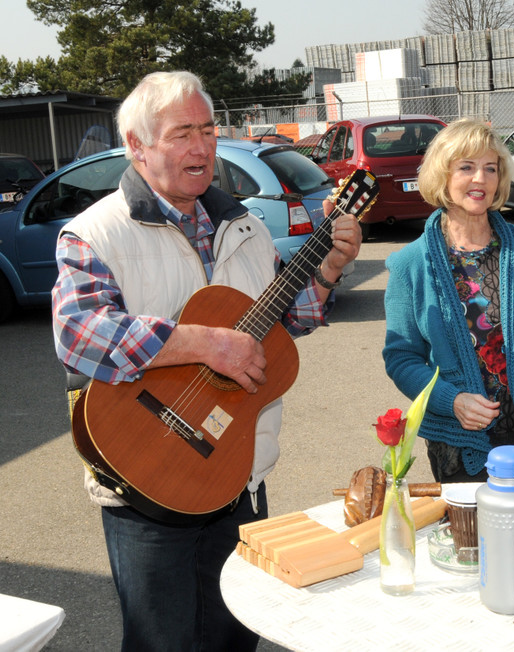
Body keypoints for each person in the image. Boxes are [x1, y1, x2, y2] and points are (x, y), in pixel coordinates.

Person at [51, 71, 361, 651]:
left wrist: (327, 270)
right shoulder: (93, 233)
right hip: (147, 482)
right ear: (137, 146)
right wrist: (204, 343)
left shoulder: (242, 224)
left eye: (208, 130)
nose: (201, 147)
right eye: (181, 134)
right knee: (161, 642)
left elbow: (283, 323)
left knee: (237, 635)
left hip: (236, 474)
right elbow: (79, 333)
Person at [382, 118, 514, 487]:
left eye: (490, 168)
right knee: (474, 544)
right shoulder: (409, 265)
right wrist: (450, 400)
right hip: (461, 439)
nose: (480, 179)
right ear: (442, 176)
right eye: (466, 167)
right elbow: (402, 358)